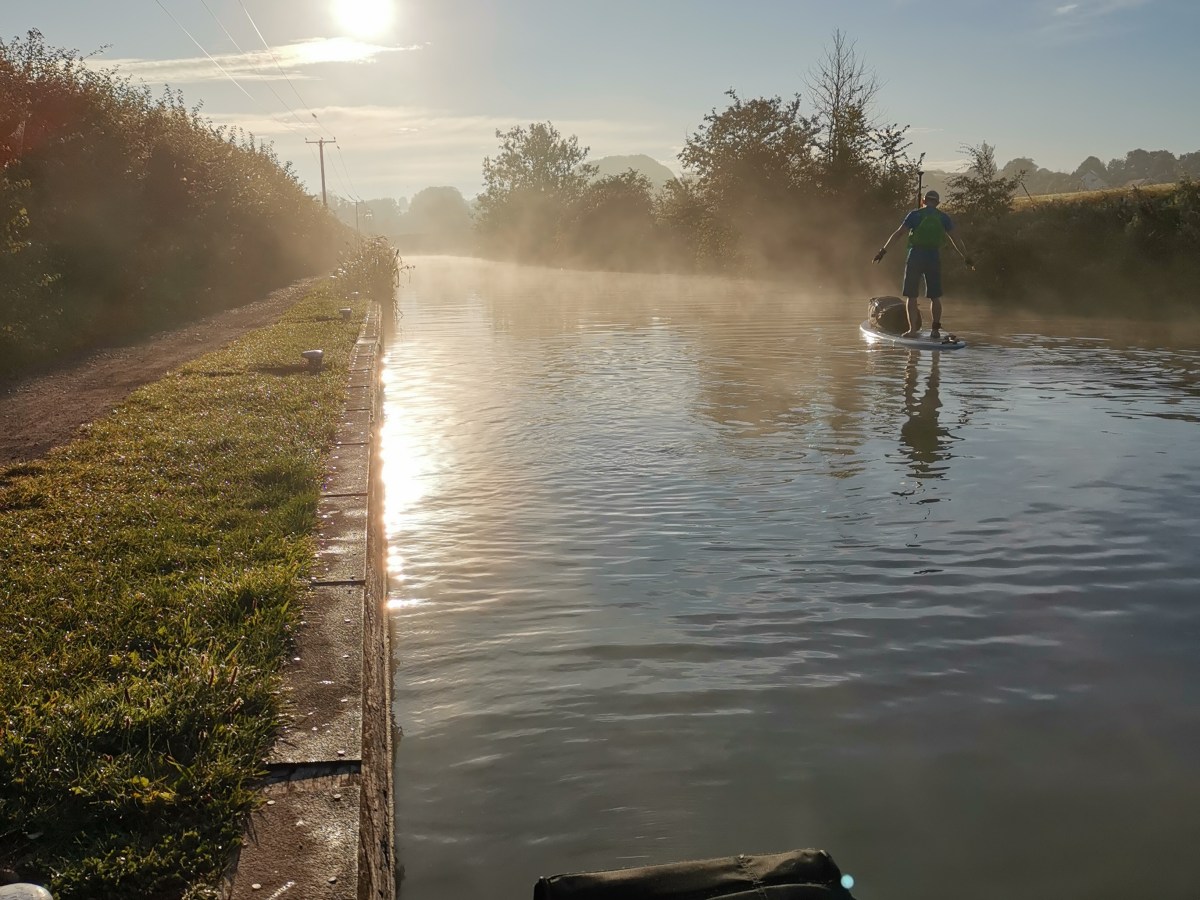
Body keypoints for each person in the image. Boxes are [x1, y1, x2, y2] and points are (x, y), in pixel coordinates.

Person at [872, 190, 973, 339]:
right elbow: (956, 238)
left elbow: (899, 233)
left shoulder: (915, 215)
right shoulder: (943, 217)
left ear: (924, 201)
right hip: (933, 256)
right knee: (935, 296)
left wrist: (882, 251)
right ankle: (935, 331)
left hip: (916, 256)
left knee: (912, 296)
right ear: (937, 203)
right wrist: (966, 257)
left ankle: (912, 330)